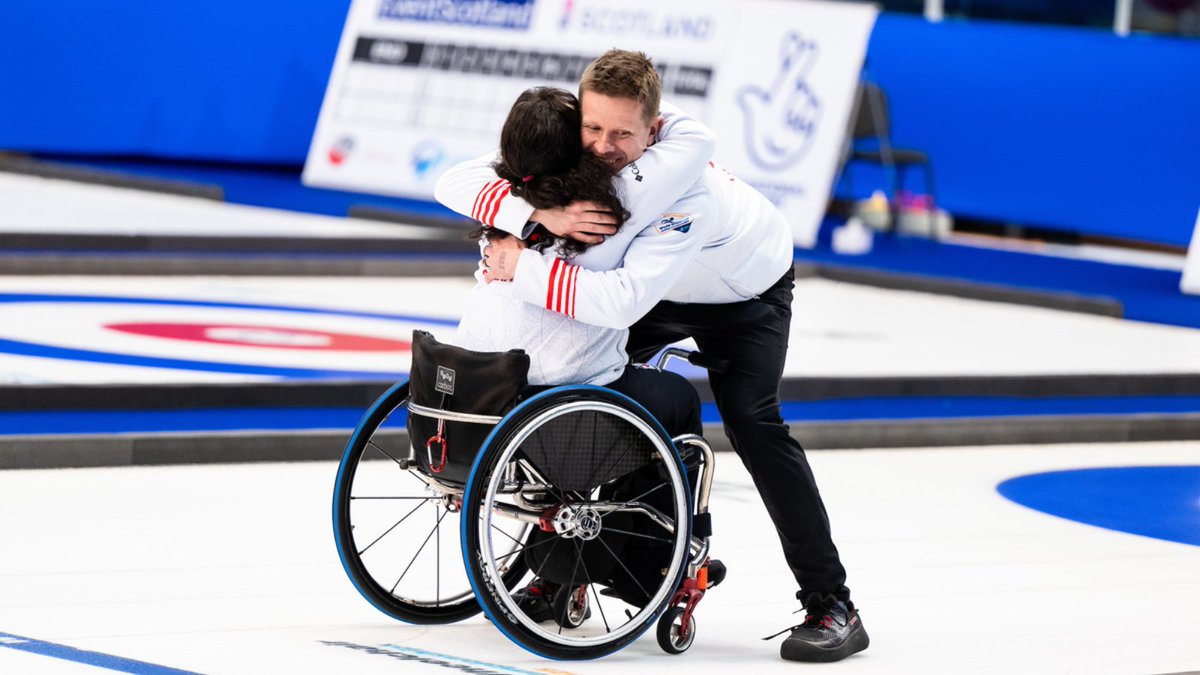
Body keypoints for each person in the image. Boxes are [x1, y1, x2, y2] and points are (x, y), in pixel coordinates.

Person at [435, 49, 868, 662]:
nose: (603, 146)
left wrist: (520, 263)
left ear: (654, 130)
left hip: (743, 295)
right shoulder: (582, 143)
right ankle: (562, 572)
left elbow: (624, 301)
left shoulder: (685, 189)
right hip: (655, 287)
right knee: (581, 383)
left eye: (622, 135)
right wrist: (538, 210)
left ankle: (832, 603)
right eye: (592, 128)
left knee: (754, 425)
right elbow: (456, 181)